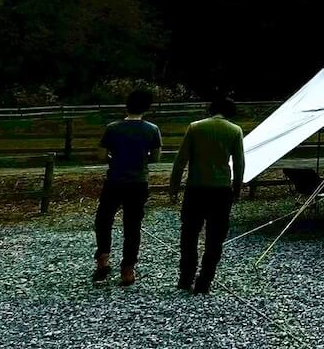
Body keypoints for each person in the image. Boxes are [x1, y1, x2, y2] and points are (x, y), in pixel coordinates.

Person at [170, 95, 245, 294]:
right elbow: (238, 164)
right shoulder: (235, 131)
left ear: (211, 109)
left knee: (189, 234)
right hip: (221, 190)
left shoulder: (195, 127)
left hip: (196, 188)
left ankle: (186, 276)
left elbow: (180, 161)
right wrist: (237, 188)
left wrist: (174, 187)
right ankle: (205, 279)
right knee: (215, 237)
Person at [94, 88, 163, 285]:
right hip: (138, 182)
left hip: (114, 180)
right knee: (132, 226)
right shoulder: (152, 129)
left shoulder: (113, 128)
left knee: (104, 220)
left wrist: (113, 158)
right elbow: (156, 157)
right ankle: (128, 268)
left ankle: (103, 258)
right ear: (146, 108)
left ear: (127, 106)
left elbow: (100, 155)